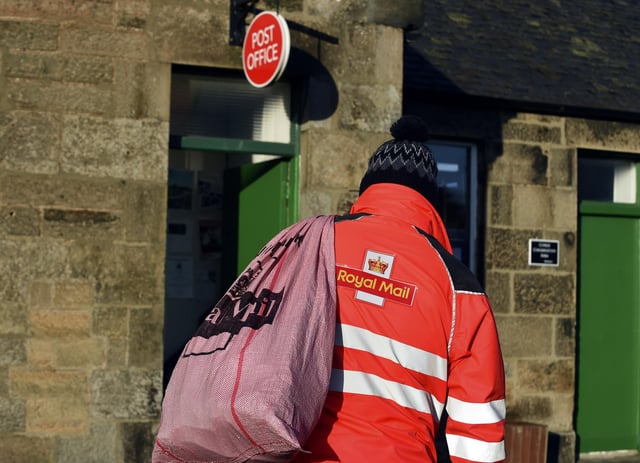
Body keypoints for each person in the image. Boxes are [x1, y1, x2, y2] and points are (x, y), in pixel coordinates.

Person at [293, 115, 506, 463]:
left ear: (368, 188)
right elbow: (479, 430)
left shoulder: (311, 246)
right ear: (430, 201)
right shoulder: (459, 287)